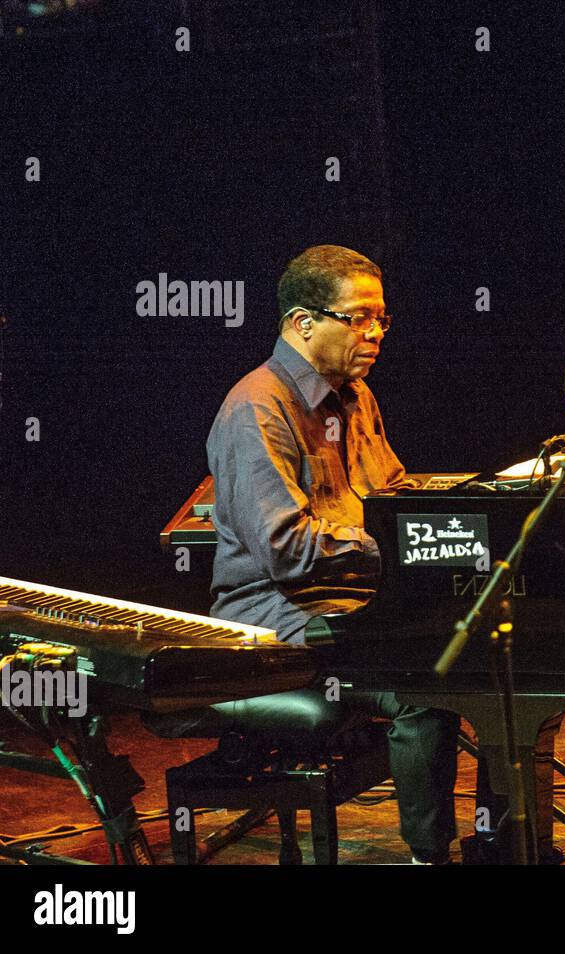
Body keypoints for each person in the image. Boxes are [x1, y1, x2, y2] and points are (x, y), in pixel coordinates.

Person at [205, 244, 460, 864]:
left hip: (348, 596)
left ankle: (508, 836)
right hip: (274, 615)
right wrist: (408, 545)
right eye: (359, 318)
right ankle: (432, 857)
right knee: (425, 687)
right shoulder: (256, 410)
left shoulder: (355, 396)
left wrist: (479, 500)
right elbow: (288, 552)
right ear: (303, 323)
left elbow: (392, 493)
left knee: (497, 650)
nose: (375, 334)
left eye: (382, 320)